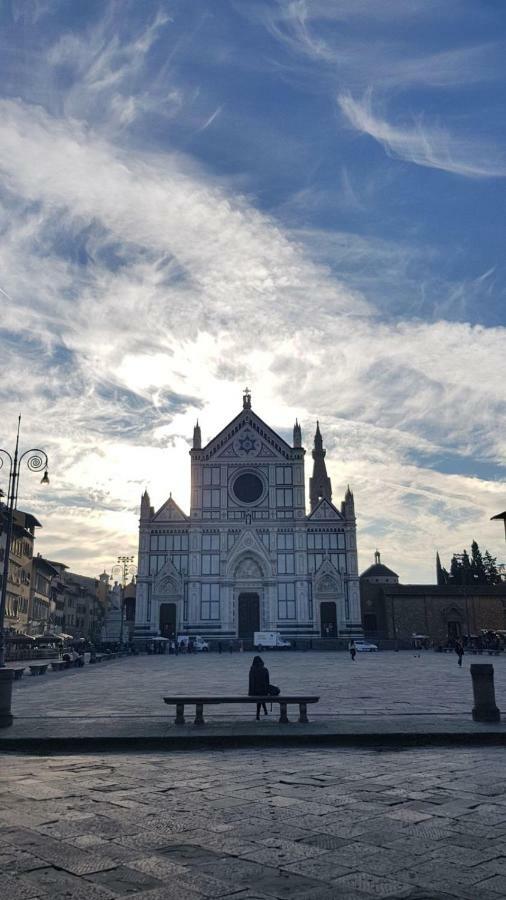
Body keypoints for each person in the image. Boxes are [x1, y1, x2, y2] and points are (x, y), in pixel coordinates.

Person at [249, 655, 269, 720]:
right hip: (264, 691)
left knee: (259, 698)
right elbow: (267, 682)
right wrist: (267, 691)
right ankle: (265, 712)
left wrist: (250, 692)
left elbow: (251, 682)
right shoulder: (265, 670)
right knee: (261, 697)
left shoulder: (252, 670)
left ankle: (258, 715)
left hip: (255, 691)